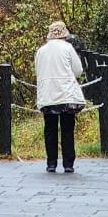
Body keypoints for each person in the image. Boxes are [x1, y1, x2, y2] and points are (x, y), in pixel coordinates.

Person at [34, 20, 86, 173]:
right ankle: (68, 163)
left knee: (50, 128)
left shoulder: (41, 51)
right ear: (64, 34)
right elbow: (78, 70)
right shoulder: (68, 48)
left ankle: (51, 163)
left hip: (48, 94)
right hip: (66, 94)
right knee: (67, 128)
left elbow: (38, 71)